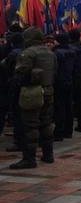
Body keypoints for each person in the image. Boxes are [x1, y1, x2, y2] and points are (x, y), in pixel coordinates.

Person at [10, 27, 57, 169]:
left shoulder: (28, 53)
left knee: (30, 125)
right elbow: (55, 72)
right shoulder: (50, 53)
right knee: (46, 123)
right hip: (48, 90)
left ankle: (29, 158)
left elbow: (20, 74)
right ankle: (48, 154)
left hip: (31, 92)